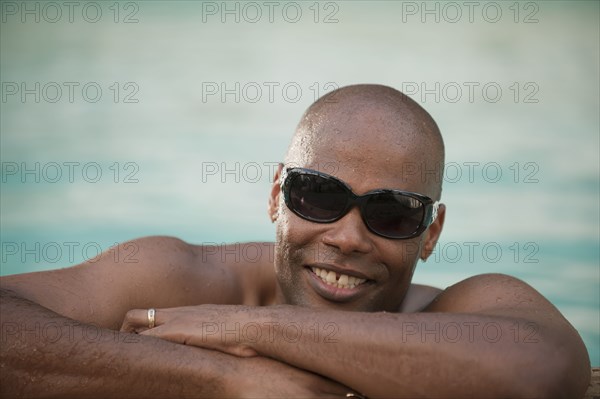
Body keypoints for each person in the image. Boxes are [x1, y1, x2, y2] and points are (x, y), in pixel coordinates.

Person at [0, 84, 591, 398]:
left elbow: (541, 373)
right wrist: (221, 379)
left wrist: (246, 329)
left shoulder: (459, 310)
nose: (347, 237)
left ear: (430, 234)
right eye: (320, 196)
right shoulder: (183, 277)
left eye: (390, 213)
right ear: (275, 193)